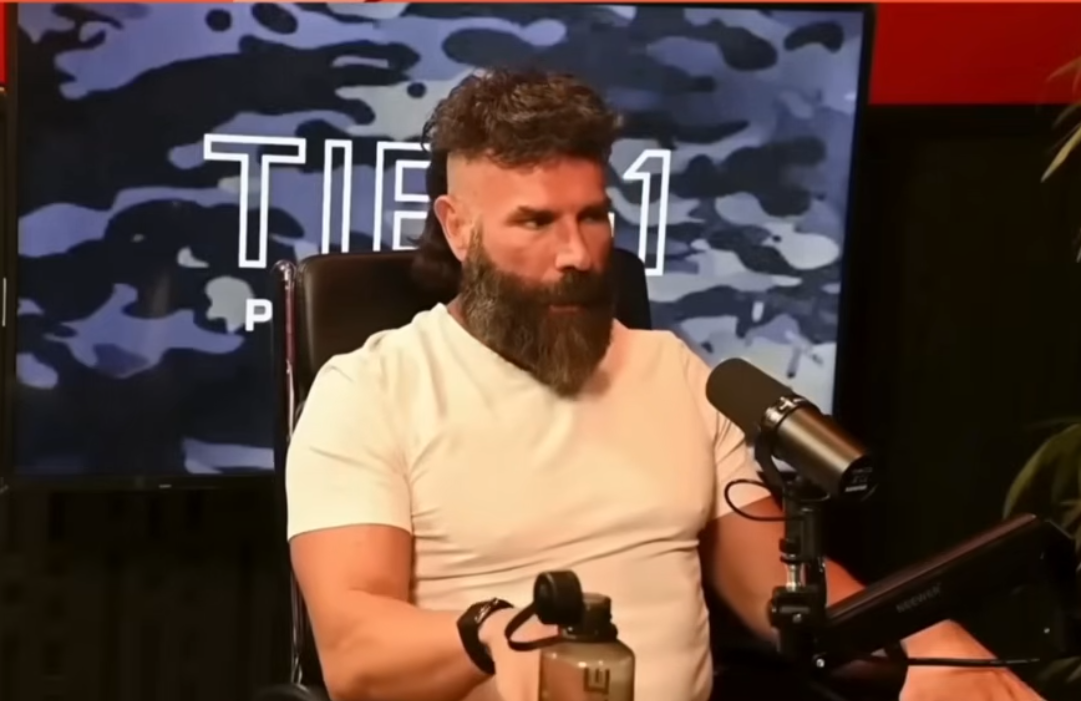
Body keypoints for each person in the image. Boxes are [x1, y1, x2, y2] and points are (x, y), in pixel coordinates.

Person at [286, 69, 1043, 701]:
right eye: (536, 222)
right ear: (458, 228)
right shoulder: (370, 391)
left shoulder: (675, 372)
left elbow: (778, 592)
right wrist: (489, 632)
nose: (577, 254)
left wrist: (924, 639)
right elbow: (354, 652)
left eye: (592, 217)